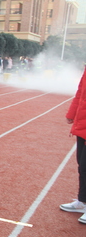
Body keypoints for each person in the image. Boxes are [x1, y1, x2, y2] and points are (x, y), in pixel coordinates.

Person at [60, 67, 86, 224]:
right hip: (82, 124)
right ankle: (82, 201)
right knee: (81, 165)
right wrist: (72, 113)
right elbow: (80, 94)